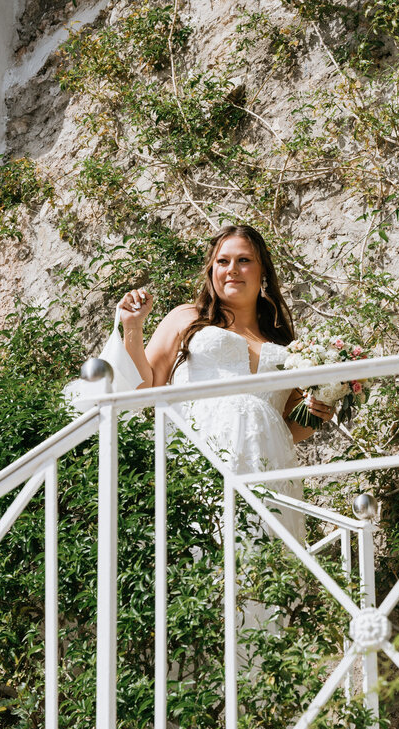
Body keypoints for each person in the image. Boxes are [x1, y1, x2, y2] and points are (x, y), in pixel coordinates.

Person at [115, 225, 332, 540]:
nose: (232, 270)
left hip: (267, 471)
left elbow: (288, 429)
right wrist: (132, 328)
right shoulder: (186, 318)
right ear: (211, 270)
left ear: (263, 272)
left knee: (265, 566)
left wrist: (315, 414)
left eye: (244, 260)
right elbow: (142, 389)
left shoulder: (285, 344)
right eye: (222, 261)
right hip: (199, 460)